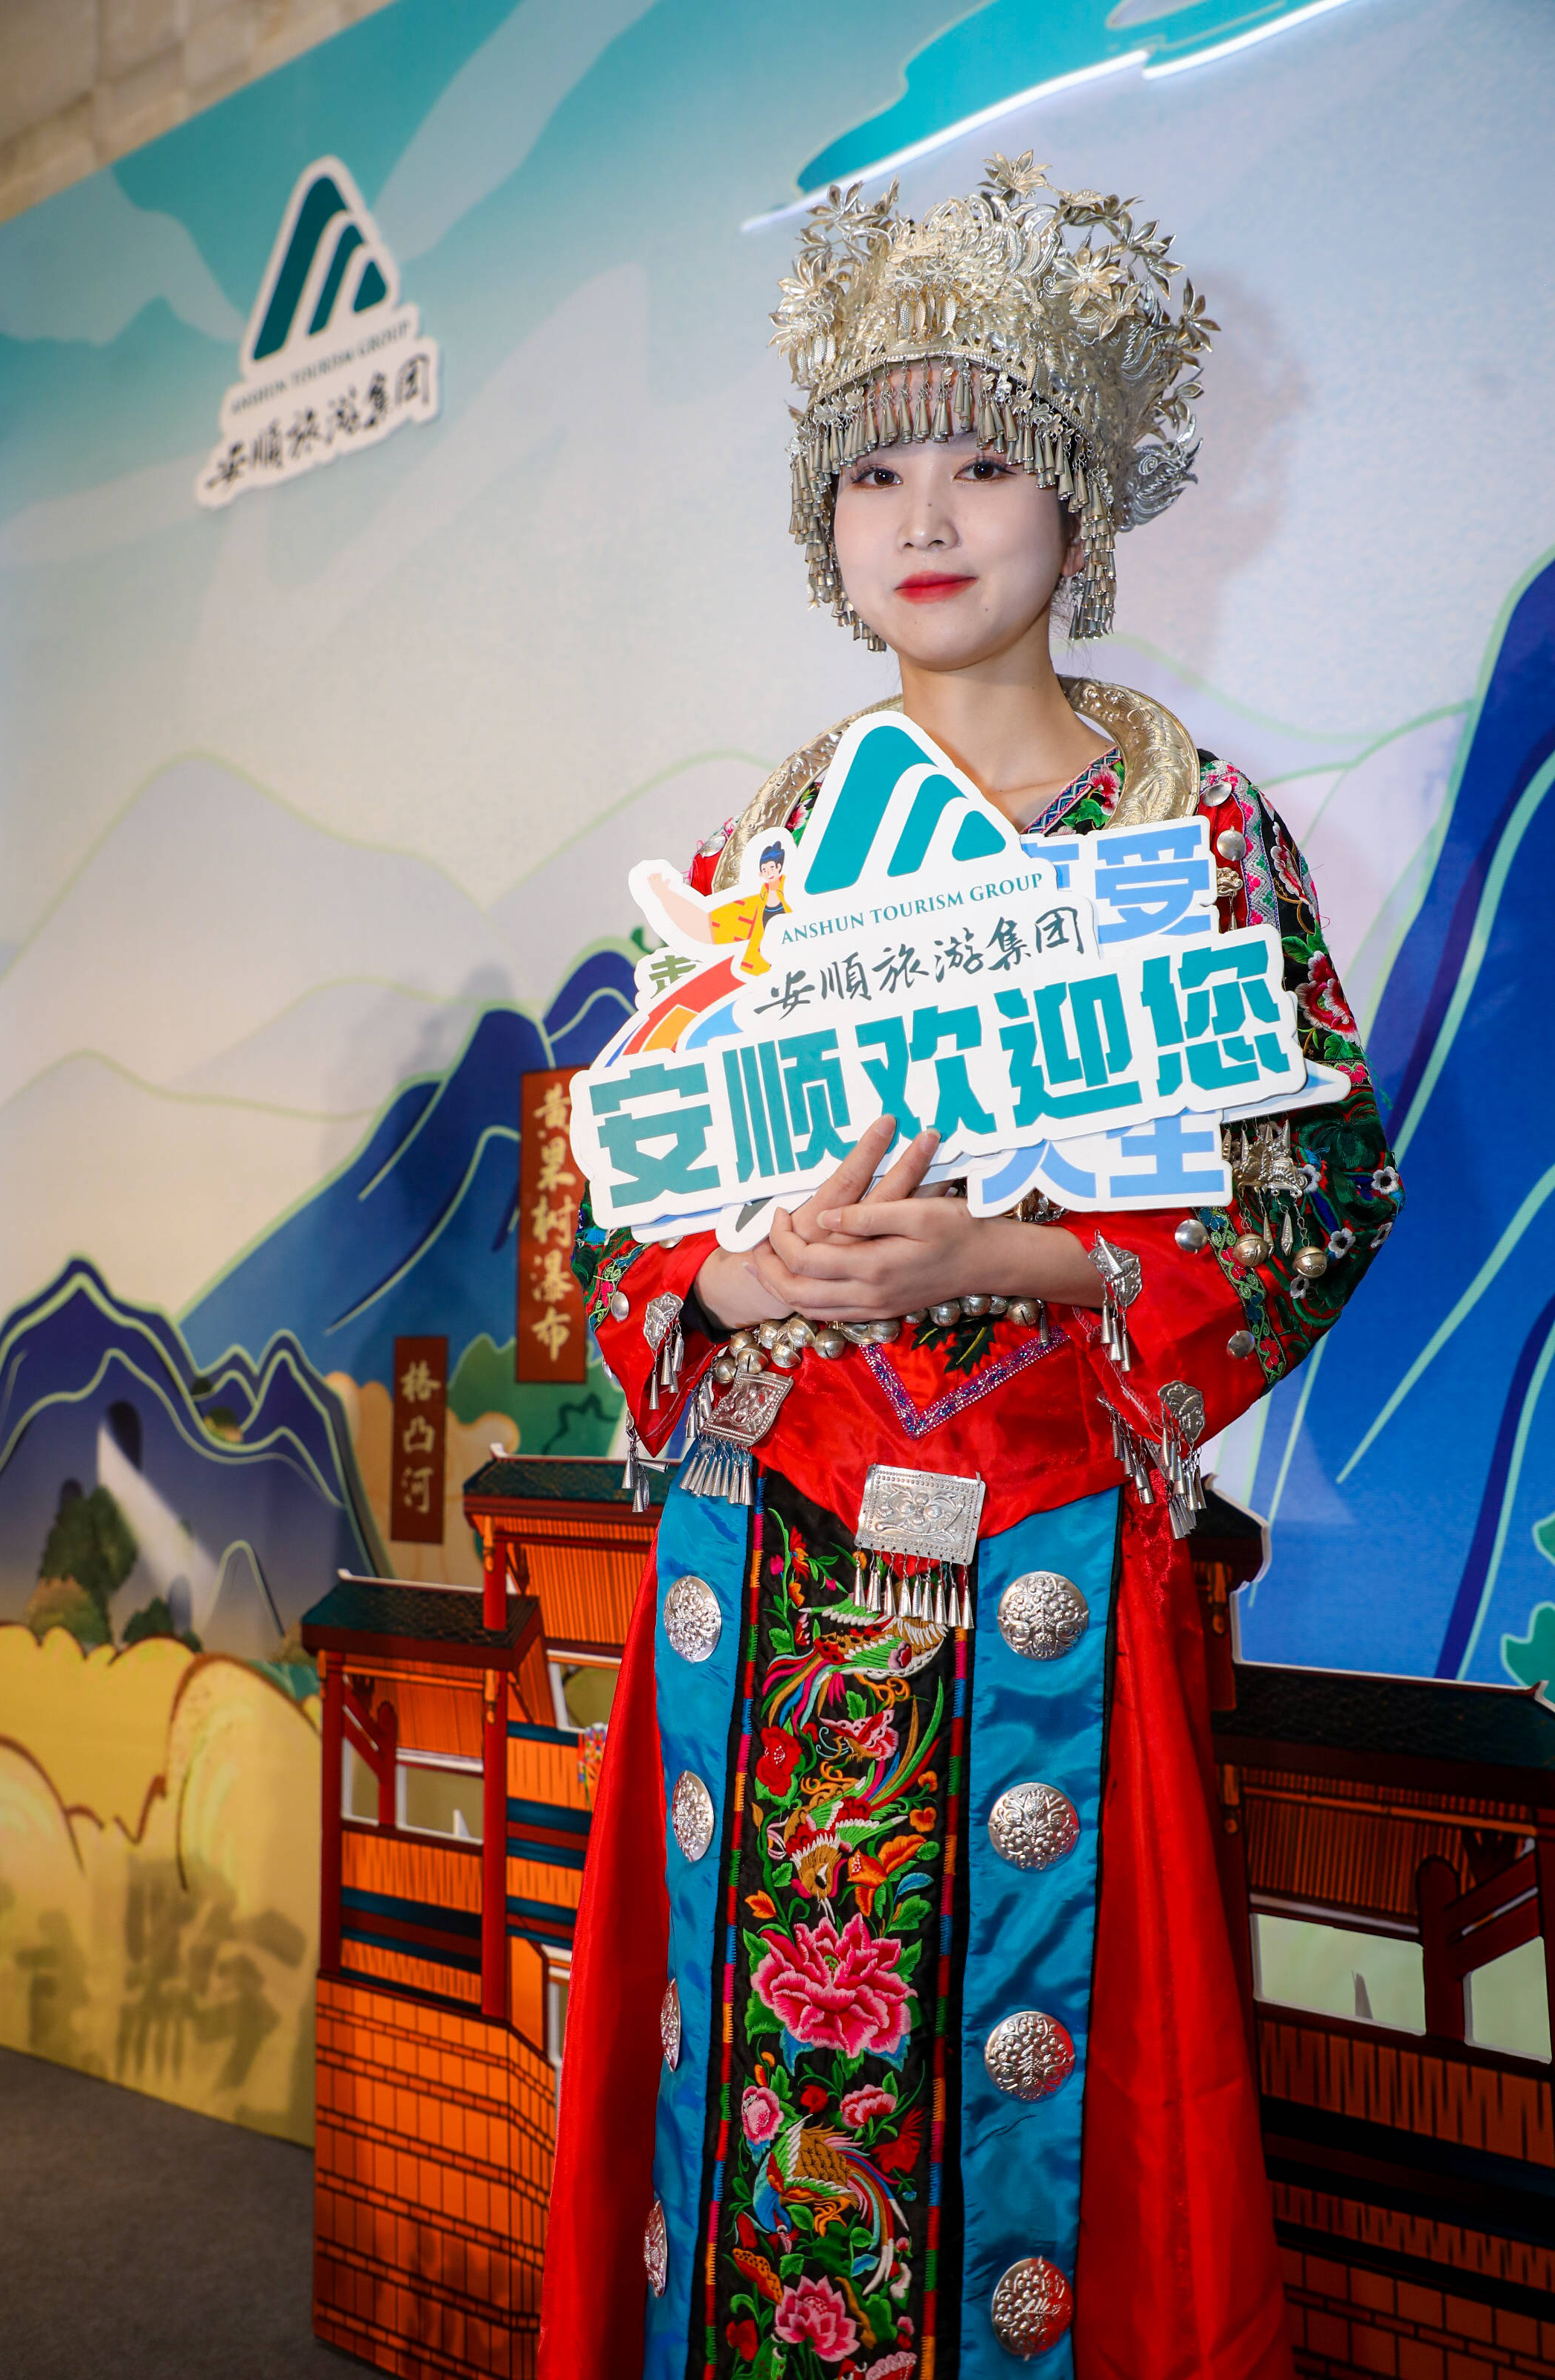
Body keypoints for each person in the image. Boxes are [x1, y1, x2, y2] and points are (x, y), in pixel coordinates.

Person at [542, 153, 1400, 2380]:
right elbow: (622, 1205)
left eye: (983, 460)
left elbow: (1314, 1189)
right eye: (873, 471)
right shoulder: (763, 855)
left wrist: (1007, 1249)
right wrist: (739, 1289)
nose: (924, 516)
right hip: (772, 1565)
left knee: (1060, 2117)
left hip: (1048, 1557)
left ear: (1077, 495)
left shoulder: (1193, 832)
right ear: (821, 524)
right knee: (751, 2100)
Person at [643, 840, 792, 977]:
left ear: (779, 867)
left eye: (771, 868)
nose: (769, 872)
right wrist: (666, 896)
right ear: (760, 873)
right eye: (765, 869)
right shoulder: (754, 905)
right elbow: (705, 928)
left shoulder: (796, 889)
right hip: (771, 983)